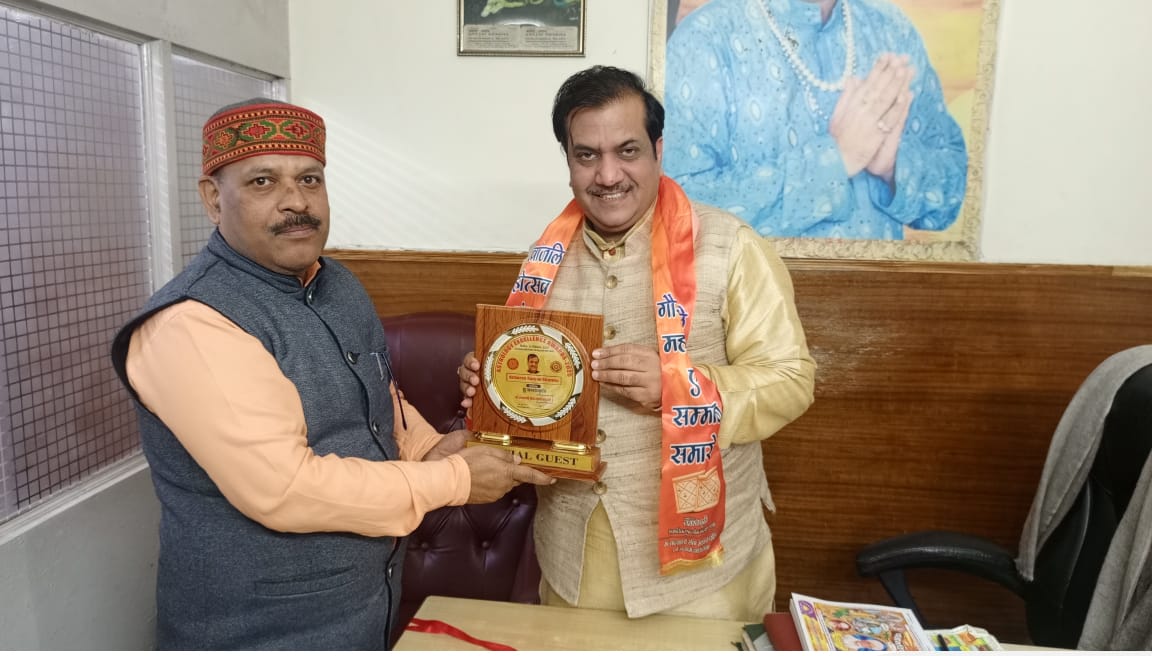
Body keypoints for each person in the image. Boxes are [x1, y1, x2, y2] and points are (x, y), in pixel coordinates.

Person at [108, 98, 553, 650]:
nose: (296, 202)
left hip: (365, 611)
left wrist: (429, 448)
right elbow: (285, 489)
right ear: (212, 199)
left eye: (309, 179)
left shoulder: (336, 284)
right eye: (263, 181)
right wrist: (456, 479)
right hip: (258, 633)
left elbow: (379, 397)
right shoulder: (191, 325)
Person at [459, 66, 816, 621]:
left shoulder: (731, 246)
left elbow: (792, 379)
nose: (608, 175)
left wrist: (680, 387)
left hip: (703, 571)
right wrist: (490, 384)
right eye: (586, 155)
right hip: (574, 561)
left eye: (627, 151)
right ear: (568, 161)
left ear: (657, 149)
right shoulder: (544, 261)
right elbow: (531, 390)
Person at [662, 0, 968, 240]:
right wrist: (834, 161)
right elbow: (678, 214)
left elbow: (954, 193)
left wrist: (894, 167)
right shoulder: (705, 38)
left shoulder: (892, 29)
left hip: (884, 296)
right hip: (756, 301)